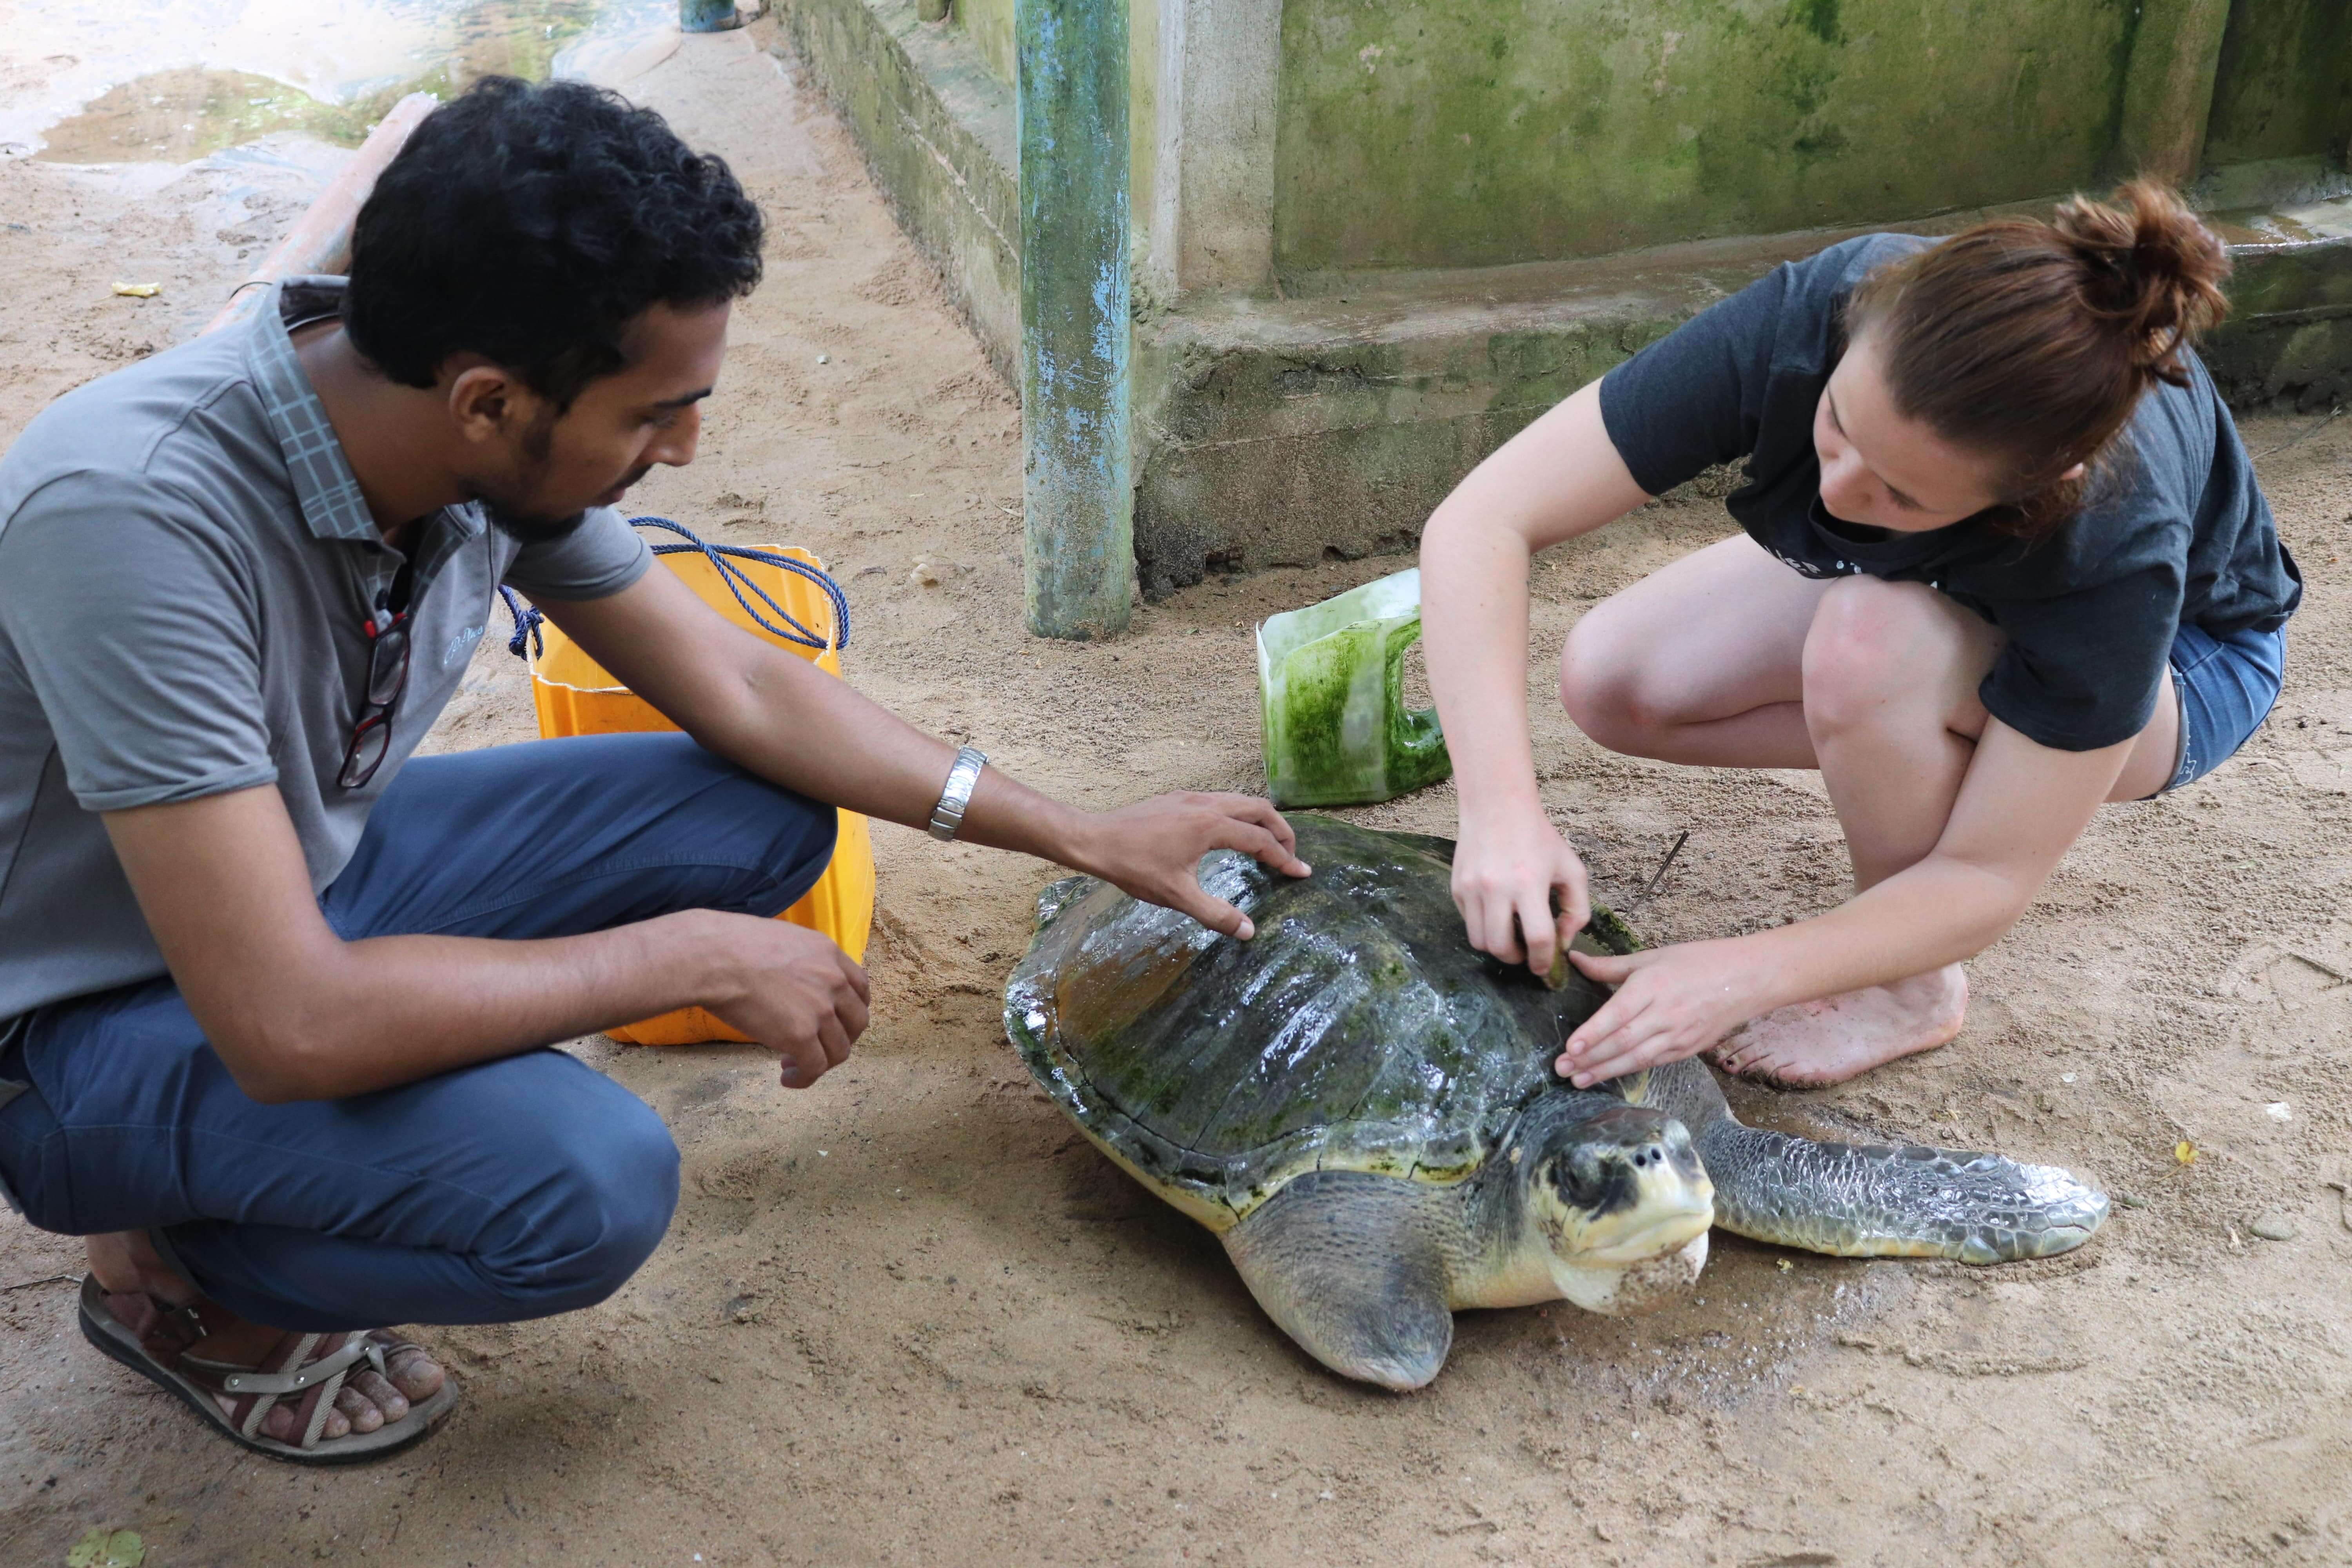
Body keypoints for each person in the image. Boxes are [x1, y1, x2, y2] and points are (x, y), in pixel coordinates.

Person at [0, 78, 1307, 1462]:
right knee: (583, 1184)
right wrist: (685, 955)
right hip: (79, 1018)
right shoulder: (130, 515)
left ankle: (288, 1148)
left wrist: (1081, 831)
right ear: (491, 401)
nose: (684, 446)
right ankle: (188, 1286)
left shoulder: (454, 432)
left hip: (291, 875)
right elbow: (291, 1023)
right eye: (655, 414)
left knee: (762, 805)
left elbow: (740, 684)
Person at [1418, 181, 2297, 1095]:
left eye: (1901, 495)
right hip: (1936, 588)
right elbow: (1482, 519)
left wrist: (1745, 969)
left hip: (2190, 662)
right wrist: (1499, 810)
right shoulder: (1831, 303)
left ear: (2041, 483)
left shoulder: (2117, 537)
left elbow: (1987, 876)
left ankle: (1910, 986)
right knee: (1615, 679)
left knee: (1868, 648)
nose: (1838, 494)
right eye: (1835, 427)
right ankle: (1948, 750)